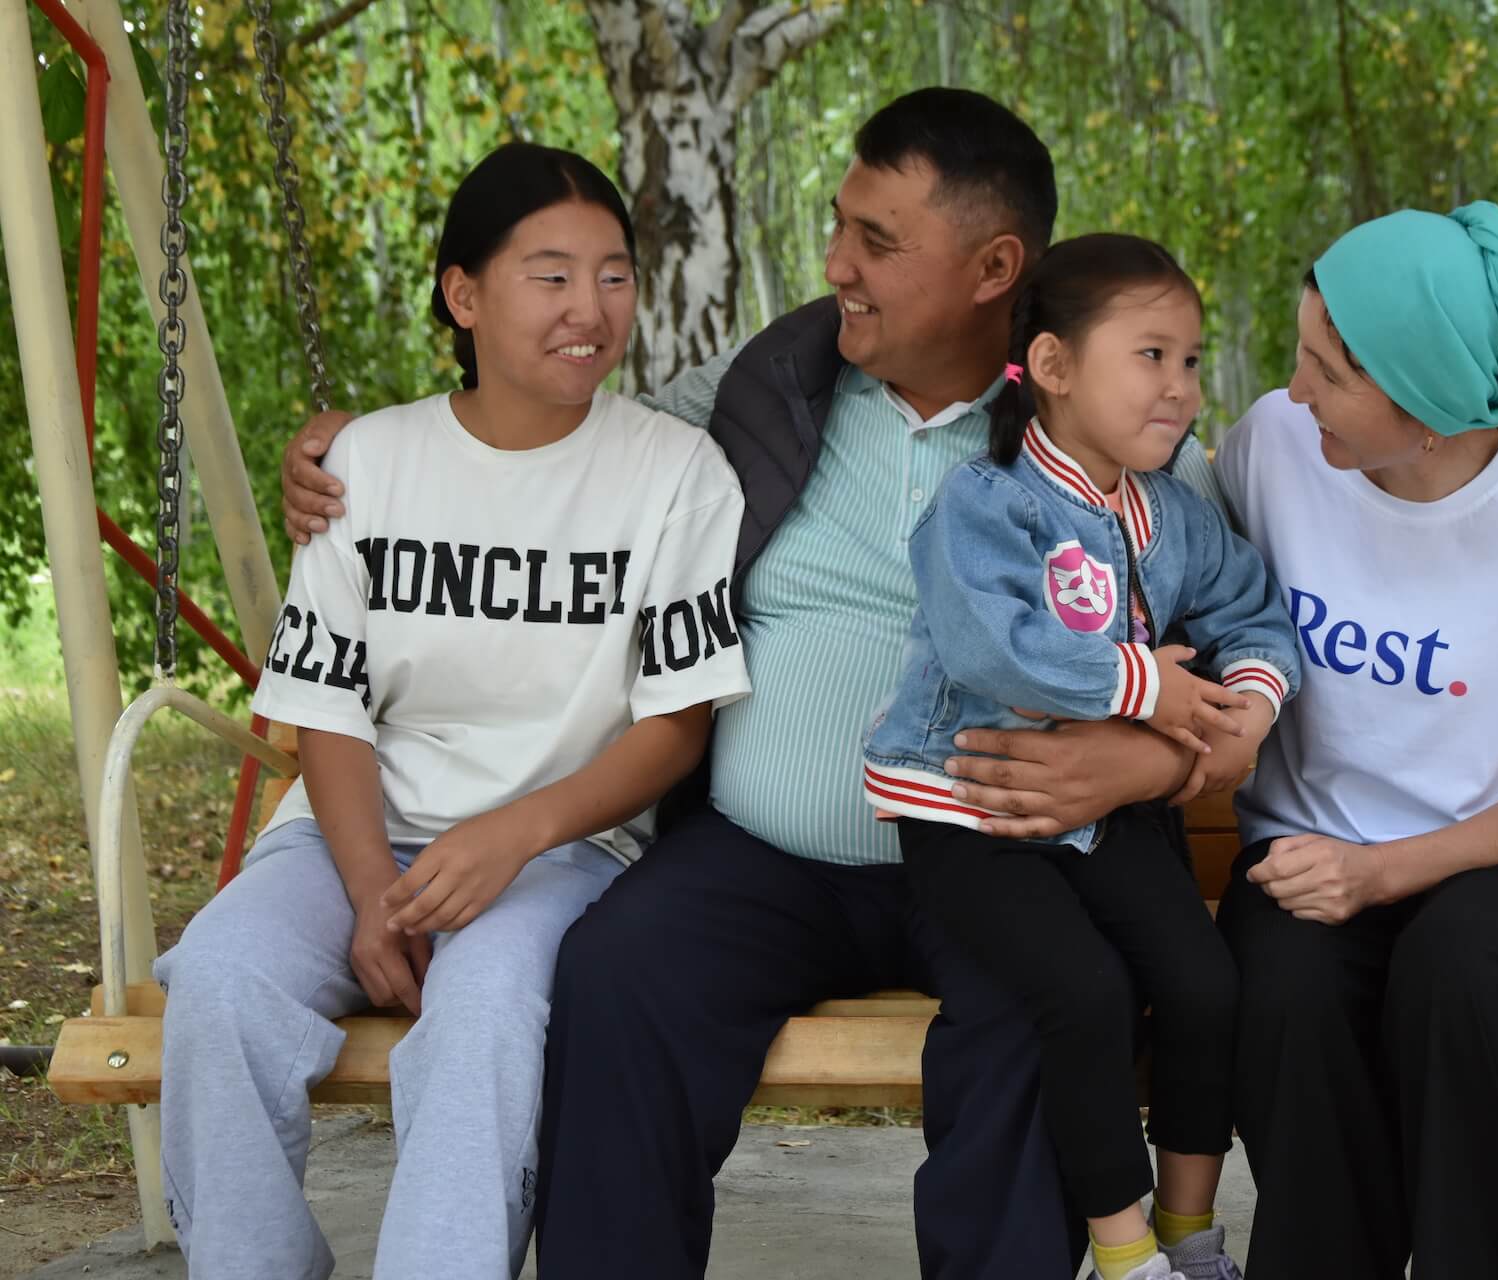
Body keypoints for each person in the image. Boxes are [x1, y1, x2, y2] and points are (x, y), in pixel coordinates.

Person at [278, 90, 1226, 1278]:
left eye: (878, 240)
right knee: (623, 978)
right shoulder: (772, 379)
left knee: (1041, 1014)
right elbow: (561, 434)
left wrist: (1149, 757)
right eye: (842, 224)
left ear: (995, 266)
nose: (838, 262)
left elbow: (1235, 655)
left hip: (1003, 855)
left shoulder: (1120, 431)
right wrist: (368, 448)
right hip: (762, 854)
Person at [153, 142, 750, 1280]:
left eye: (614, 274)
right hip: (351, 836)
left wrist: (513, 834)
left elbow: (677, 723)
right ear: (463, 293)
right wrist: (375, 883)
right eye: (552, 274)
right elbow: (326, 704)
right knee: (221, 981)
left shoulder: (677, 474)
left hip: (564, 848)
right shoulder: (367, 464)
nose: (590, 308)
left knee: (482, 1018)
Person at [1213, 200, 1498, 1279]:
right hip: (1310, 845)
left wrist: (1385, 872)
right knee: (1288, 996)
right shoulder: (1273, 447)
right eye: (1299, 350)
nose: (1293, 389)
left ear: (1429, 411)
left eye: (1328, 369)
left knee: (1458, 973)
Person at [867, 233, 1300, 1280]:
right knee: (1087, 992)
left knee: (1204, 983)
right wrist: (1151, 685)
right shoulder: (988, 503)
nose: (1182, 388)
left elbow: (1255, 616)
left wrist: (1241, 709)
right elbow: (992, 647)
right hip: (974, 812)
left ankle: (1192, 1235)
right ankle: (1124, 1254)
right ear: (1054, 366)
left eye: (1193, 360)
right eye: (1151, 355)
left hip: (1112, 814)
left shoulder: (1172, 514)